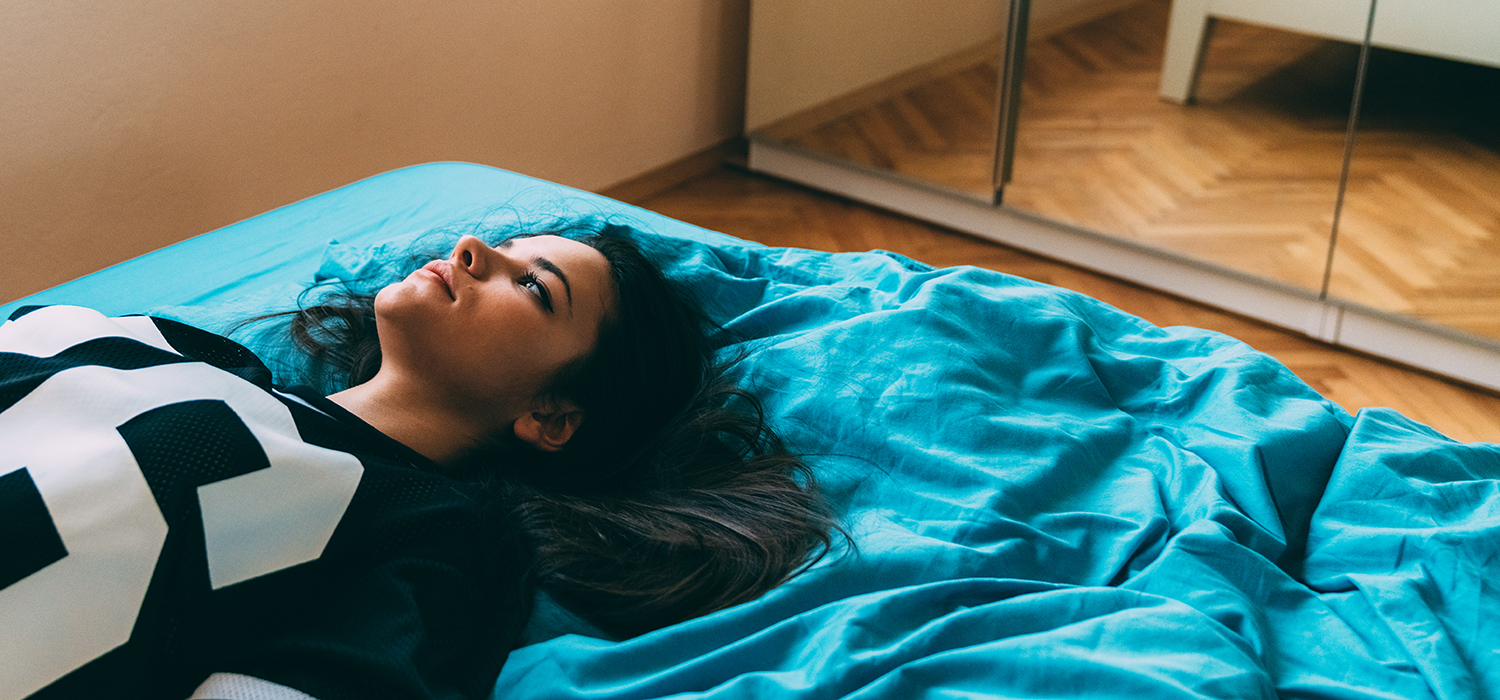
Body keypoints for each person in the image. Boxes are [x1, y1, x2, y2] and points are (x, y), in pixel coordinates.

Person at [0, 220, 838, 700]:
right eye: (507, 246)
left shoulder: (427, 533)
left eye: (534, 287)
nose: (475, 247)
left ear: (551, 415)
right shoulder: (176, 348)